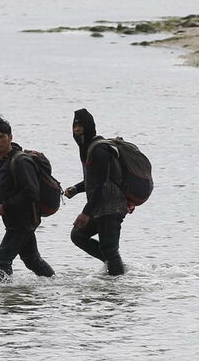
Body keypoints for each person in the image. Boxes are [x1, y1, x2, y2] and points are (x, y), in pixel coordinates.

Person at [0, 116, 55, 280]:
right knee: (31, 259)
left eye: (1, 137)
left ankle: (4, 299)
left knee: (3, 258)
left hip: (25, 219)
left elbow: (32, 193)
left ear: (10, 137)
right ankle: (54, 284)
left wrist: (4, 208)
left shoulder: (21, 161)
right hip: (13, 219)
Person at [64, 108, 128, 276]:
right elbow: (94, 180)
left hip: (111, 206)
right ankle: (115, 266)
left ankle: (117, 285)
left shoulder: (99, 150)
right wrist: (76, 189)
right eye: (74, 126)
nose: (76, 129)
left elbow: (100, 184)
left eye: (80, 126)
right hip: (100, 205)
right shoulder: (87, 148)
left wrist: (85, 213)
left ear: (89, 126)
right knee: (78, 235)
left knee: (109, 248)